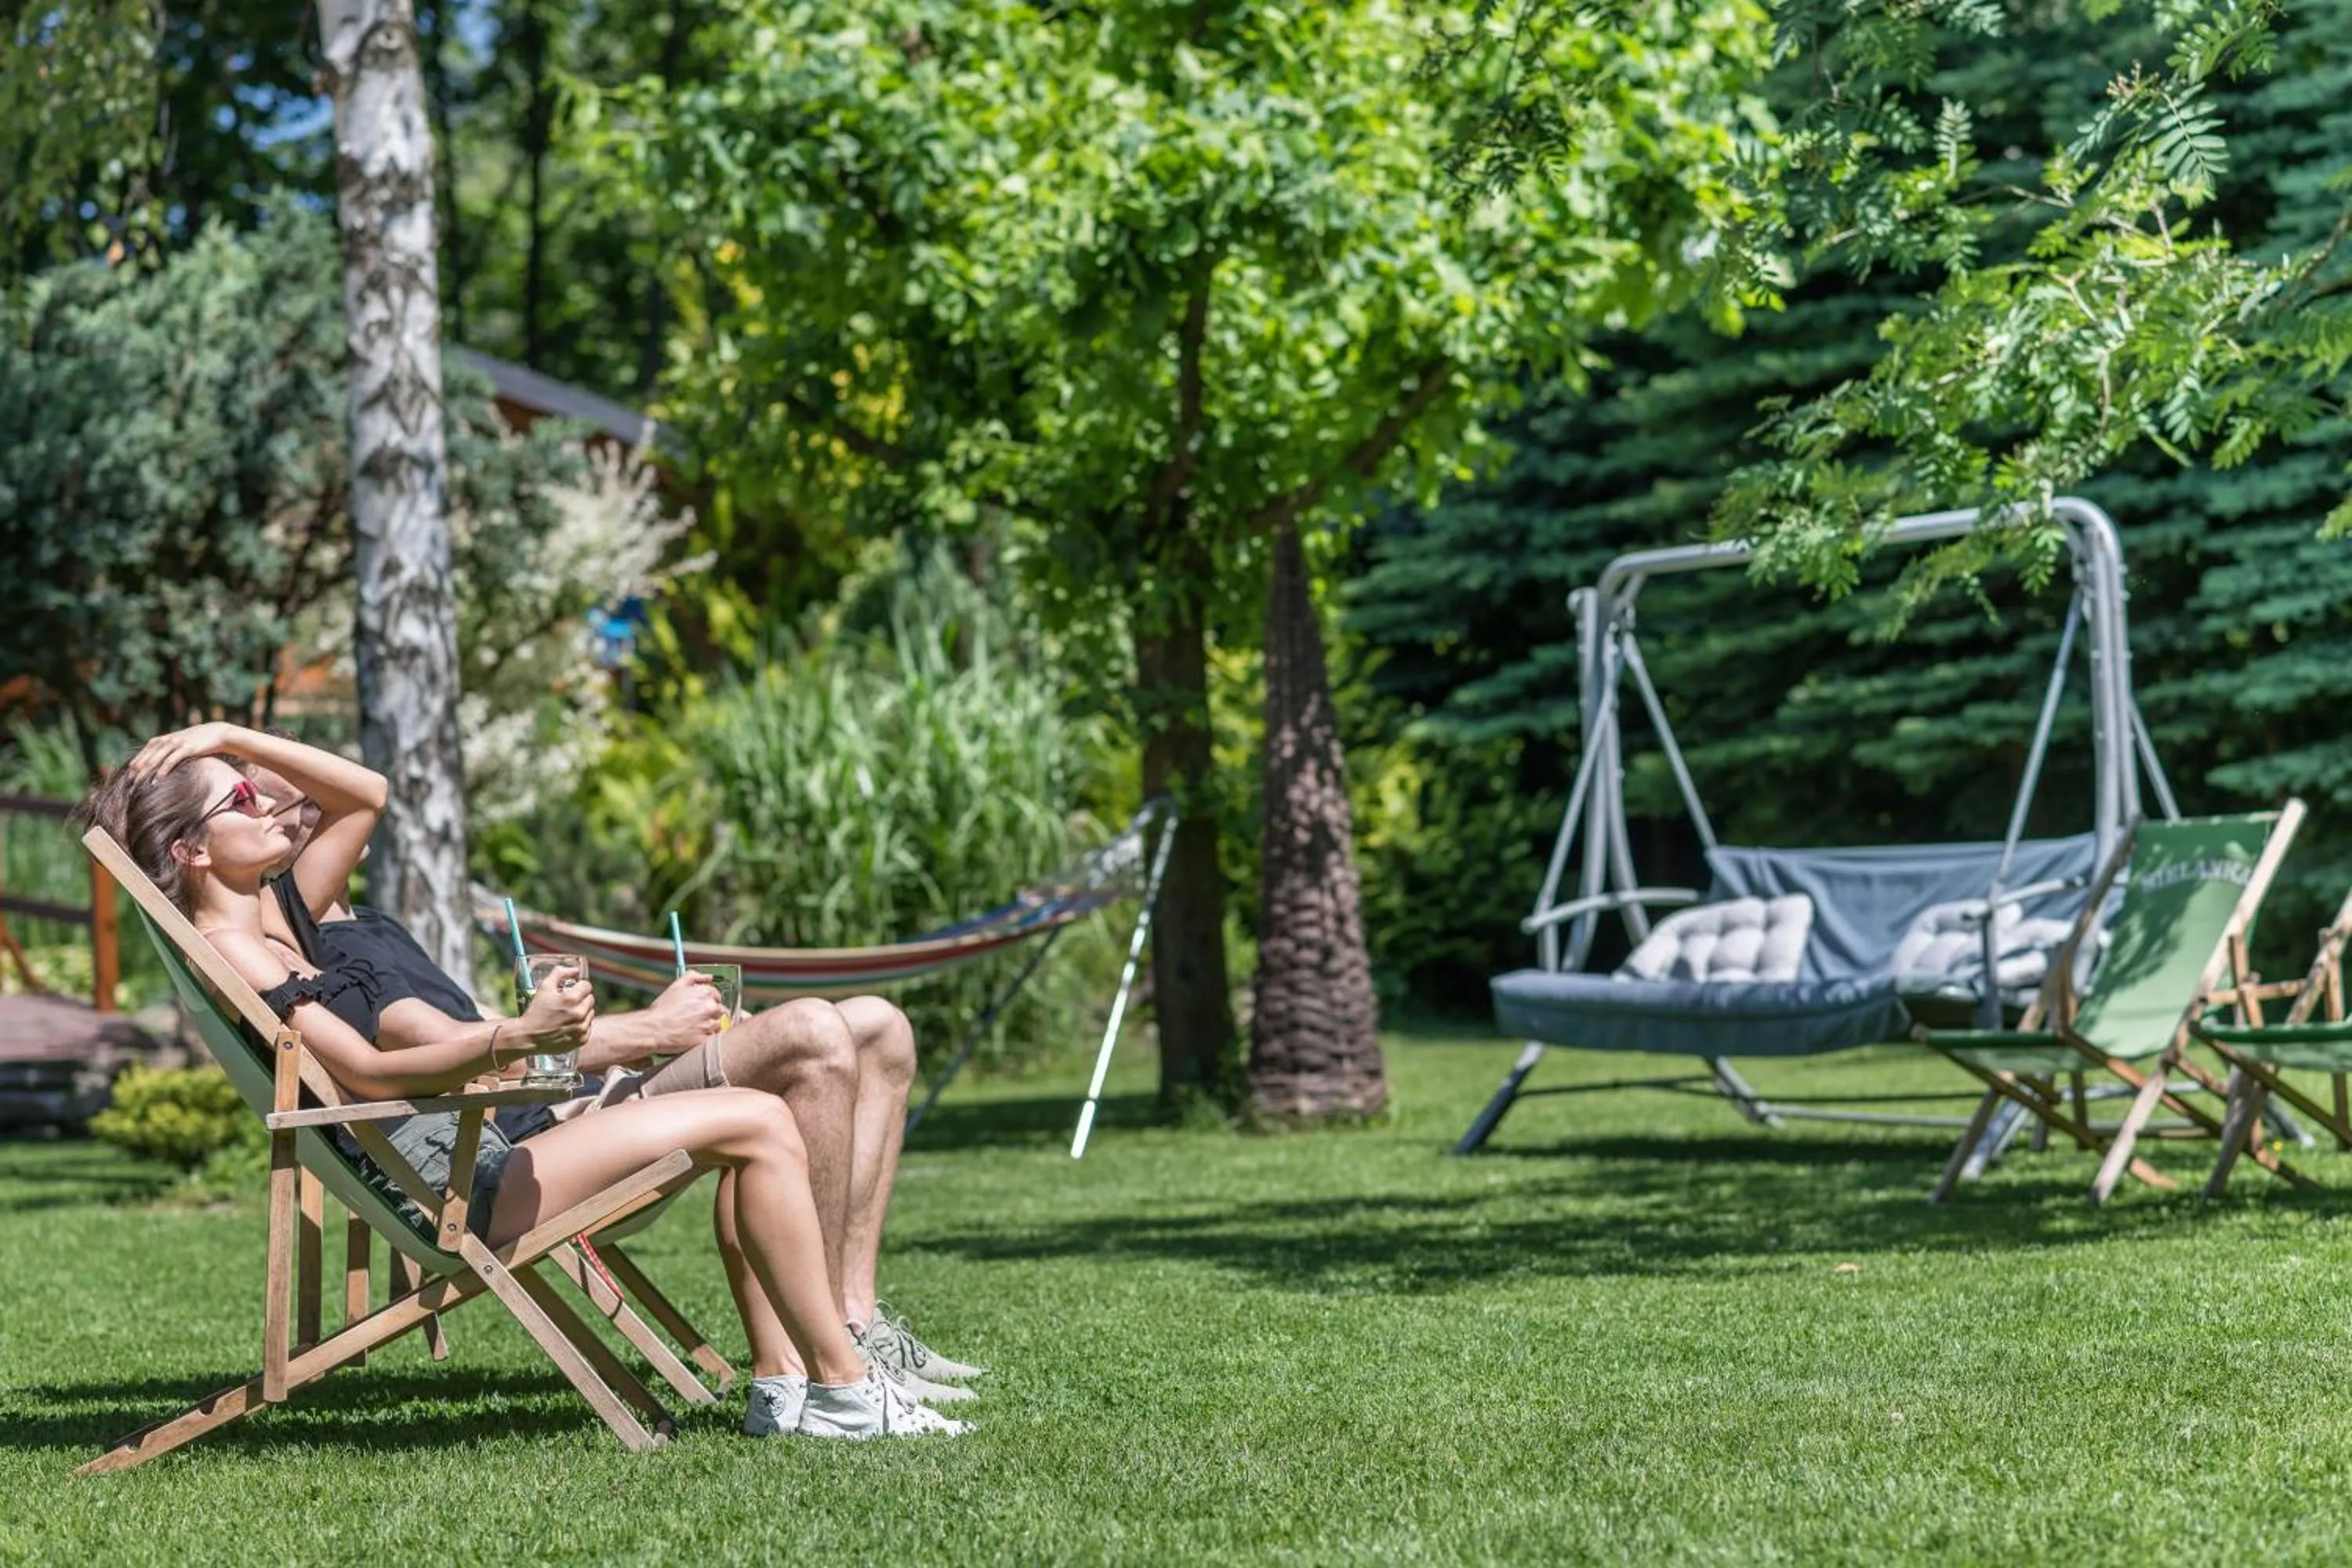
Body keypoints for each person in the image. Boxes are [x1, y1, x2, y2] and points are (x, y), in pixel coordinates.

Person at [80, 724, 964, 1440]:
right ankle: (846, 1386)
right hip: (467, 1180)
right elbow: (368, 1070)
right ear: (193, 849)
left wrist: (230, 733)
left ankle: (831, 1379)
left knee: (768, 1108)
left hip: (482, 1150)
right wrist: (524, 1033)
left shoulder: (282, 916)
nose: (268, 795)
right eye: (241, 794)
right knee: (763, 1119)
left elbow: (366, 792)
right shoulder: (236, 947)